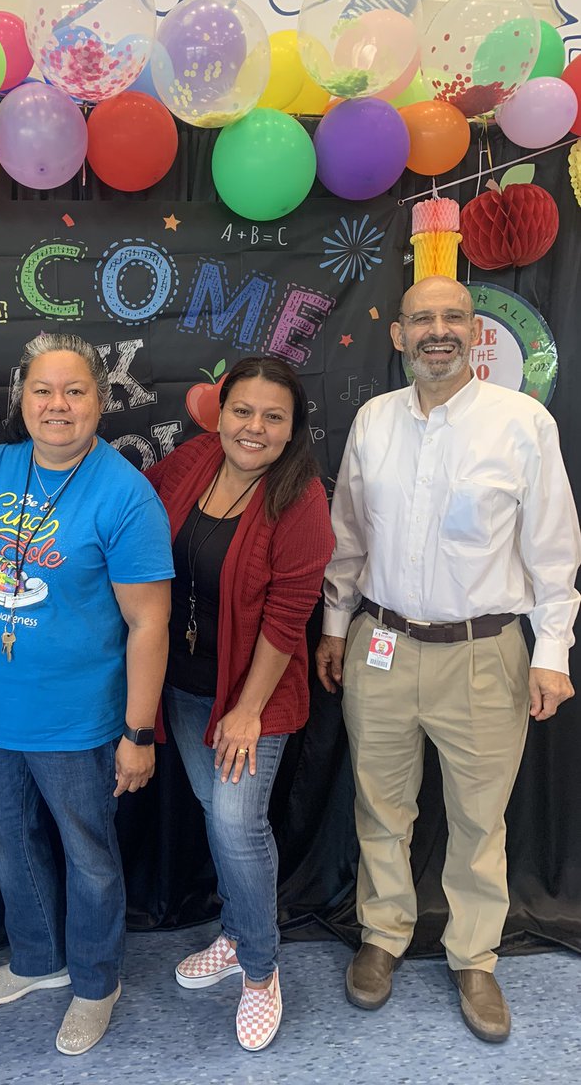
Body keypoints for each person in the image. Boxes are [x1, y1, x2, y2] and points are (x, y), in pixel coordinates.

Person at [315, 276, 581, 1043]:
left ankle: (474, 956)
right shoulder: (374, 421)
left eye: (454, 317)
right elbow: (348, 536)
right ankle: (383, 934)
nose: (439, 330)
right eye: (423, 318)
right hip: (382, 646)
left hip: (485, 654)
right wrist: (334, 626)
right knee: (380, 807)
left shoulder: (522, 423)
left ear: (476, 332)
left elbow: (553, 550)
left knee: (478, 817)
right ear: (398, 334)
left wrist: (553, 652)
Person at [0, 332, 173, 1056]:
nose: (58, 405)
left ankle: (95, 981)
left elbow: (149, 624)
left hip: (76, 719)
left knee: (89, 856)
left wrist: (138, 733)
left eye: (75, 391)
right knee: (9, 843)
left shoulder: (126, 494)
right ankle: (37, 960)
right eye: (43, 390)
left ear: (100, 402)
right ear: (20, 398)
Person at [145, 356, 334, 1052]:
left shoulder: (300, 499)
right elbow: (134, 515)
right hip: (183, 685)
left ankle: (259, 969)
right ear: (219, 413)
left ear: (292, 428)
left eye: (273, 417)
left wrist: (248, 710)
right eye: (243, 411)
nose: (255, 428)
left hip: (251, 695)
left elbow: (288, 618)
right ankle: (234, 933)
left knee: (237, 823)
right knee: (216, 813)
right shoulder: (194, 462)